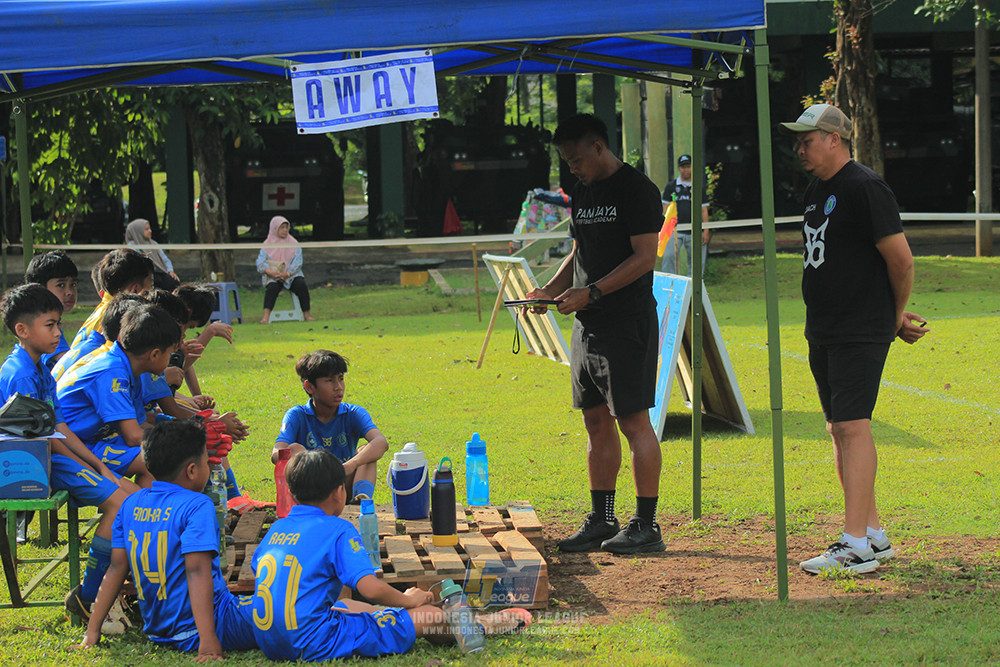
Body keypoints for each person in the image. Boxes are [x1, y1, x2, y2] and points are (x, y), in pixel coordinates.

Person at [779, 103, 929, 574]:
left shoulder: (865, 187)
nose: (800, 148)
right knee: (837, 429)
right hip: (825, 328)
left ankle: (855, 544)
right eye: (798, 140)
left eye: (808, 139)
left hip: (859, 329)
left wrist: (893, 315)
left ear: (835, 140)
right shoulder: (816, 189)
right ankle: (874, 534)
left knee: (852, 427)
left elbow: (901, 261)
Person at [524, 113, 665, 554]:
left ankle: (647, 525)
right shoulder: (582, 191)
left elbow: (645, 257)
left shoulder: (638, 190)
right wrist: (551, 288)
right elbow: (581, 250)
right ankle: (603, 520)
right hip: (589, 325)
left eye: (576, 159)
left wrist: (595, 292)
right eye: (566, 161)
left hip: (627, 323)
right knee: (594, 421)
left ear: (599, 147)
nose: (572, 169)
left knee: (633, 422)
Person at [251, 449, 529, 662]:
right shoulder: (338, 529)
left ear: (292, 493)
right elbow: (369, 587)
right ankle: (480, 625)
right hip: (313, 640)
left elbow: (262, 574)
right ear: (339, 492)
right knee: (423, 616)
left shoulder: (278, 528)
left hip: (269, 639)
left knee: (349, 608)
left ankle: (392, 615)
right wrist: (407, 600)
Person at [0, 284, 135, 630]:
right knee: (122, 504)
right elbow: (46, 438)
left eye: (59, 324)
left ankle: (115, 589)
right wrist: (94, 469)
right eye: (51, 325)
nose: (59, 333)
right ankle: (87, 597)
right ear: (22, 330)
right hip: (29, 465)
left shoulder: (41, 368)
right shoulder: (19, 373)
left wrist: (99, 465)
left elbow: (59, 427)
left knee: (133, 498)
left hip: (48, 456)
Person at [78, 418, 257, 658]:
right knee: (281, 610)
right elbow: (197, 572)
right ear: (192, 470)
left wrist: (92, 632)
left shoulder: (131, 504)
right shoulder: (197, 505)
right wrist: (208, 641)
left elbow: (116, 568)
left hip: (157, 632)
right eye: (206, 462)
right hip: (212, 624)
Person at [57, 303, 181, 488]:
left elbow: (140, 425)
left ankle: (145, 510)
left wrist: (183, 432)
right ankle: (142, 511)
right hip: (74, 450)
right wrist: (183, 441)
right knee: (162, 459)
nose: (171, 360)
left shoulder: (129, 367)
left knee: (163, 457)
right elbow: (133, 436)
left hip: (94, 442)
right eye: (170, 354)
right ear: (155, 354)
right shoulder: (112, 372)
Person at [272, 350, 387, 503]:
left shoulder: (353, 413)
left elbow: (381, 442)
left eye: (340, 379)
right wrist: (311, 464)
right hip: (312, 487)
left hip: (342, 485)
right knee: (293, 449)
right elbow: (276, 453)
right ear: (310, 387)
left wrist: (348, 466)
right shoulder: (297, 415)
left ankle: (360, 500)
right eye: (330, 381)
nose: (338, 387)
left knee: (368, 451)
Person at [52, 247, 154, 383]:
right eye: (150, 287)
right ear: (135, 289)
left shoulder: (105, 310)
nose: (151, 294)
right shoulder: (118, 319)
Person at [24, 250, 79, 371]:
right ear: (40, 289)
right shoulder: (45, 327)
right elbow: (67, 365)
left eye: (73, 285)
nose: (69, 292)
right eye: (61, 285)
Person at [255, 215, 314, 323]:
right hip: (274, 276)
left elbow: (298, 262)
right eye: (282, 227)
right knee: (272, 288)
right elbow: (260, 262)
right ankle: (265, 317)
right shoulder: (267, 244)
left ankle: (307, 315)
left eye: (286, 227)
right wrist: (270, 272)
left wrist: (287, 273)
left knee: (301, 284)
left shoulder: (293, 243)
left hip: (291, 275)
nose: (285, 230)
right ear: (275, 228)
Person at [660, 153, 710, 277]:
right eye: (683, 167)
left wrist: (706, 230)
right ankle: (669, 286)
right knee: (669, 257)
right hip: (674, 229)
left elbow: (704, 210)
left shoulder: (698, 187)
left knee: (696, 262)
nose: (685, 170)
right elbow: (665, 209)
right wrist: (662, 229)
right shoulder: (671, 186)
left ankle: (692, 291)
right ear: (679, 168)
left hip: (694, 230)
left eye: (688, 166)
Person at [125, 218, 180, 290]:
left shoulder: (153, 243)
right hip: (145, 277)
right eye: (146, 229)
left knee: (175, 284)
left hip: (159, 273)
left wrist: (170, 271)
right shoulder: (131, 247)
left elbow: (165, 259)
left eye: (150, 228)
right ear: (138, 231)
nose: (150, 231)